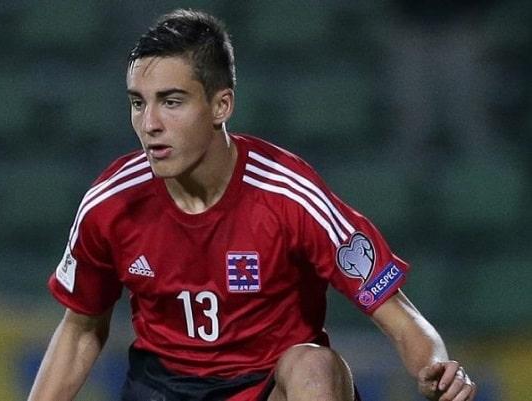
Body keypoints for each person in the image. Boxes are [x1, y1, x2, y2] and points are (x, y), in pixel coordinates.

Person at [28, 9, 477, 401]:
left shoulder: (290, 196)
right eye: (137, 103)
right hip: (162, 390)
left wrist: (436, 368)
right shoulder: (111, 204)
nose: (149, 124)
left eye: (171, 102)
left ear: (221, 105)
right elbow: (81, 329)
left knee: (315, 367)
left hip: (265, 387)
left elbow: (401, 317)